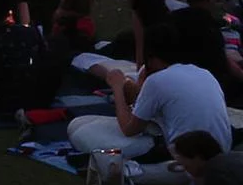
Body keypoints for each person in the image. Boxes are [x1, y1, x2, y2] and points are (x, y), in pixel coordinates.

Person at [70, 25, 232, 162]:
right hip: (218, 150)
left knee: (78, 131)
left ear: (152, 57)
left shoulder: (157, 80)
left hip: (185, 158)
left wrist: (117, 88)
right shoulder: (203, 73)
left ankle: (127, 168)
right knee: (80, 123)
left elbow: (128, 129)